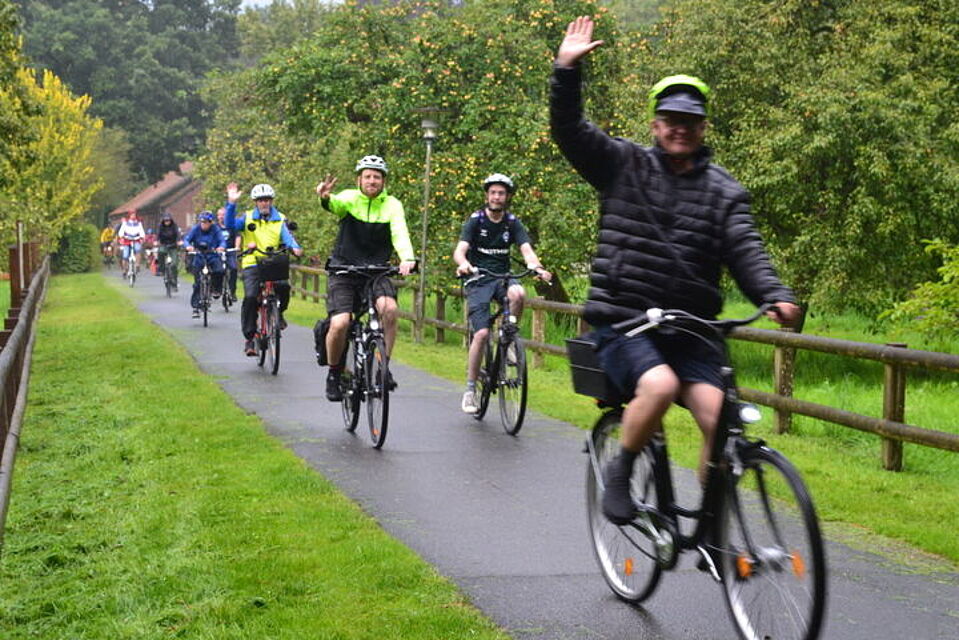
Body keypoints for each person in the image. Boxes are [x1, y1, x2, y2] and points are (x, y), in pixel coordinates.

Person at [551, 17, 801, 525]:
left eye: (690, 119)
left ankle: (713, 530)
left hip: (691, 331)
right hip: (625, 322)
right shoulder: (623, 164)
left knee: (722, 420)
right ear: (655, 125)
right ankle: (621, 469)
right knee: (660, 387)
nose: (679, 127)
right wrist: (566, 71)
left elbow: (746, 250)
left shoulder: (724, 191)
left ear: (703, 127)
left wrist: (775, 294)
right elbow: (570, 132)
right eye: (670, 118)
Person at [315, 155, 416, 402]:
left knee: (389, 309)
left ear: (384, 181)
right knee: (340, 323)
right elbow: (335, 204)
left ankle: (383, 368)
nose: (372, 181)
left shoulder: (392, 205)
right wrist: (325, 197)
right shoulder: (349, 198)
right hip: (344, 270)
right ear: (359, 180)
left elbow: (400, 232)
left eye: (377, 177)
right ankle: (334, 373)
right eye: (367, 176)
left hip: (377, 271)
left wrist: (407, 258)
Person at [452, 173, 551, 414]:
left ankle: (508, 338)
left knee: (519, 293)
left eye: (501, 193)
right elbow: (460, 251)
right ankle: (470, 389)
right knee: (482, 334)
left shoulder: (512, 223)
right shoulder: (475, 221)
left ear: (507, 197)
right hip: (478, 279)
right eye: (493, 193)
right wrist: (464, 264)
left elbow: (527, 251)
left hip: (502, 278)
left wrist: (537, 268)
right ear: (487, 196)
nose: (497, 197)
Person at [224, 183, 303, 355]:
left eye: (267, 200)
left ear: (271, 201)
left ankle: (279, 313)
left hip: (273, 261)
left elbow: (288, 237)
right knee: (251, 297)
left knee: (284, 287)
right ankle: (250, 338)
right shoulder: (247, 217)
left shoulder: (280, 218)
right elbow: (229, 225)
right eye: (260, 200)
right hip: (252, 262)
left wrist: (295, 248)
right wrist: (231, 203)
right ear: (256, 202)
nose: (264, 203)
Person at [183, 211, 225, 318]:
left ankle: (216, 289)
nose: (203, 224)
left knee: (219, 271)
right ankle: (196, 307)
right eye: (202, 222)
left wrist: (221, 247)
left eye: (206, 222)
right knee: (197, 283)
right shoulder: (195, 229)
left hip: (212, 255)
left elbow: (222, 240)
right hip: (199, 256)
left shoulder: (215, 229)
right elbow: (187, 240)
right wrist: (188, 246)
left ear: (211, 222)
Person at [216, 206, 239, 300]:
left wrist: (237, 247)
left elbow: (238, 236)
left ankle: (232, 292)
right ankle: (217, 288)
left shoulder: (232, 226)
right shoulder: (215, 227)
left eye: (223, 215)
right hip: (218, 252)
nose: (221, 217)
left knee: (233, 268)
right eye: (219, 215)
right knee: (216, 269)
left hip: (230, 251)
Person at [156, 211, 181, 290]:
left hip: (173, 246)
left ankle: (175, 282)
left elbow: (178, 234)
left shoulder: (174, 226)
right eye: (165, 220)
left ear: (171, 220)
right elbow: (158, 235)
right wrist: (157, 241)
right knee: (160, 252)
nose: (167, 222)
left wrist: (178, 241)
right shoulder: (160, 226)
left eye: (168, 220)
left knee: (174, 265)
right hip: (164, 245)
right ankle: (161, 269)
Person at [116, 209, 146, 274]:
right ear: (129, 215)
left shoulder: (138, 222)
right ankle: (125, 269)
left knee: (138, 249)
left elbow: (141, 231)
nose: (133, 215)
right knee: (125, 255)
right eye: (132, 214)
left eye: (134, 214)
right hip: (127, 240)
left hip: (136, 239)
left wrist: (142, 237)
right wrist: (121, 237)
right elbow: (121, 231)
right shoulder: (125, 222)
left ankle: (137, 265)